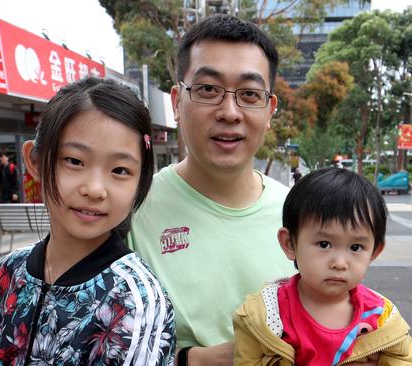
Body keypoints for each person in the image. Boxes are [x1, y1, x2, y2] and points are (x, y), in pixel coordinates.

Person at [127, 14, 297, 366]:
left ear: (269, 110)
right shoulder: (132, 211)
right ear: (176, 101)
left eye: (250, 94)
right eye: (207, 90)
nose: (230, 112)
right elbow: (102, 345)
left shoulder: (300, 213)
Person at [0, 78, 176, 365]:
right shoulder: (5, 274)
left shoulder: (134, 300)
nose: (94, 188)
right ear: (35, 161)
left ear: (140, 181)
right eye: (74, 161)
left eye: (119, 169)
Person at [233, 168, 412, 365]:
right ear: (290, 243)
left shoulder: (381, 317)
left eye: (356, 247)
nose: (340, 263)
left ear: (374, 251)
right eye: (324, 244)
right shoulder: (265, 316)